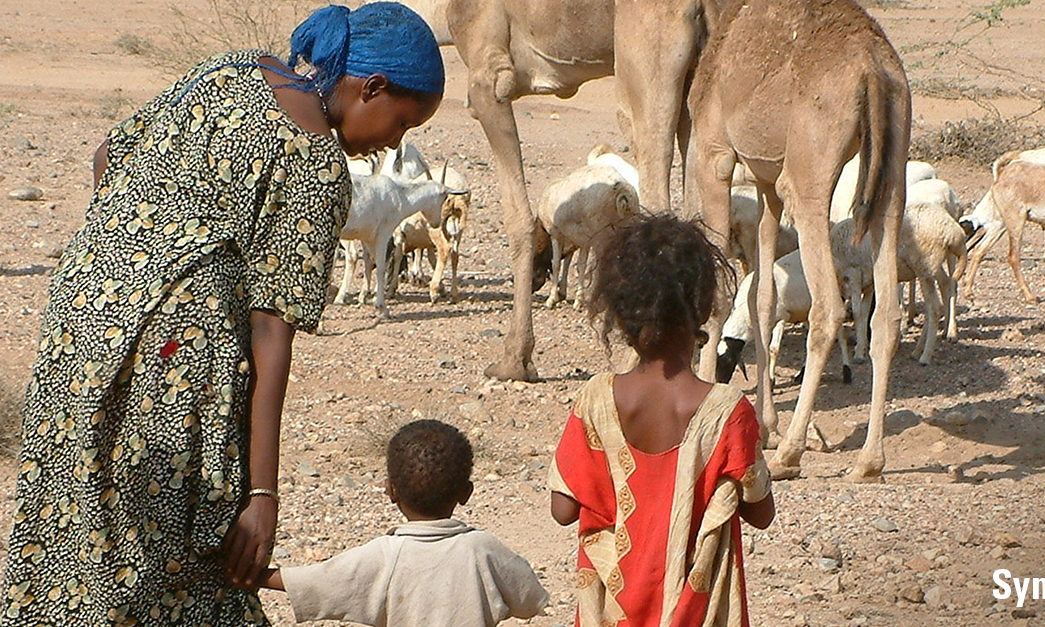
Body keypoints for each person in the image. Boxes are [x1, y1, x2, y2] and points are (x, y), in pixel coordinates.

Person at [0, 3, 443, 625]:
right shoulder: (316, 161)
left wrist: (128, 246)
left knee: (73, 519)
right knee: (182, 553)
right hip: (175, 365)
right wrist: (262, 493)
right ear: (371, 87)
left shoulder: (230, 71)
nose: (394, 143)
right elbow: (271, 328)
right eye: (400, 122)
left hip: (79, 321)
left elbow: (109, 152)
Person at [548, 214, 776, 627]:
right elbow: (761, 514)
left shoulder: (596, 400)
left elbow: (563, 509)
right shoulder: (728, 411)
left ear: (620, 313)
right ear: (703, 306)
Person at [256, 420, 550, 626]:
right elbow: (530, 601)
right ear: (466, 493)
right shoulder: (482, 550)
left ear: (390, 490)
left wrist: (253, 575)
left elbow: (318, 581)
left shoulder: (384, 555)